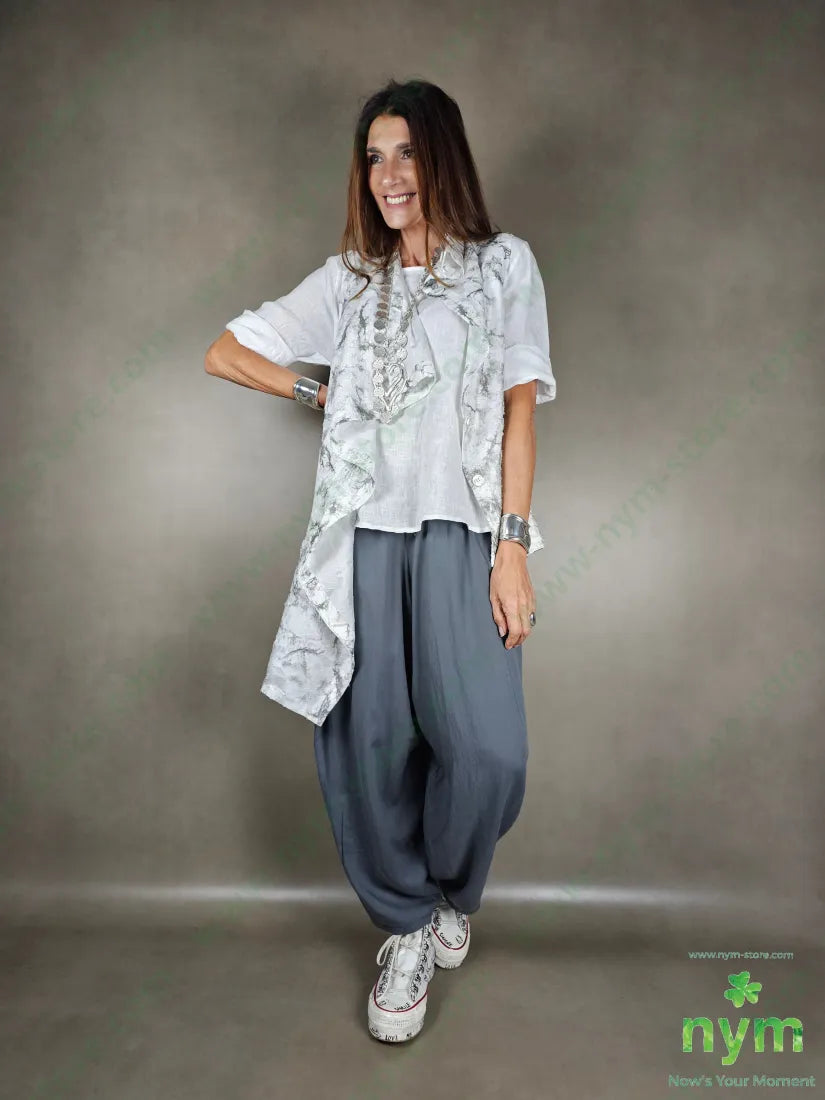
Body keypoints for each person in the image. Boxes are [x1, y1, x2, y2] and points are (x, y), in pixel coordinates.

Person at [204, 78, 556, 1044]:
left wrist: (511, 548)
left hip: (463, 538)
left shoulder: (503, 268)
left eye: (405, 153)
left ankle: (450, 895)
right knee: (369, 750)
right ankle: (403, 926)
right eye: (373, 157)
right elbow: (225, 352)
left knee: (487, 751)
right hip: (363, 542)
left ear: (442, 158)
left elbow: (519, 415)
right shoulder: (351, 282)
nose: (388, 176)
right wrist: (320, 394)